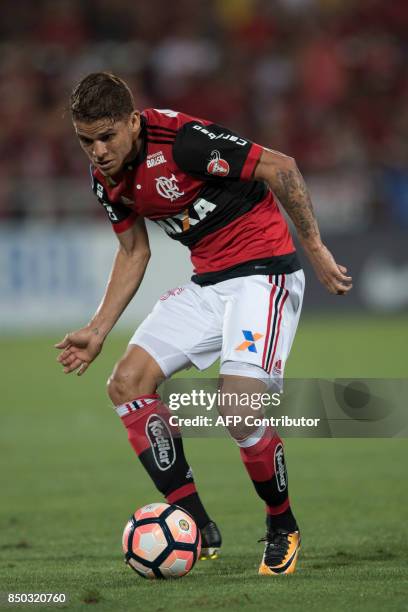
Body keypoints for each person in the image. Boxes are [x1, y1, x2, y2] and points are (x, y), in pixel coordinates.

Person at [56, 72, 352, 575]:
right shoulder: (104, 177)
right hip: (208, 283)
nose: (98, 151)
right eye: (87, 141)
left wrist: (316, 249)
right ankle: (193, 521)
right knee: (127, 383)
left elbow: (282, 168)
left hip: (264, 275)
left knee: (237, 410)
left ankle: (282, 526)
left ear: (132, 121)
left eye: (107, 136)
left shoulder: (182, 142)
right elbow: (133, 251)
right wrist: (98, 330)